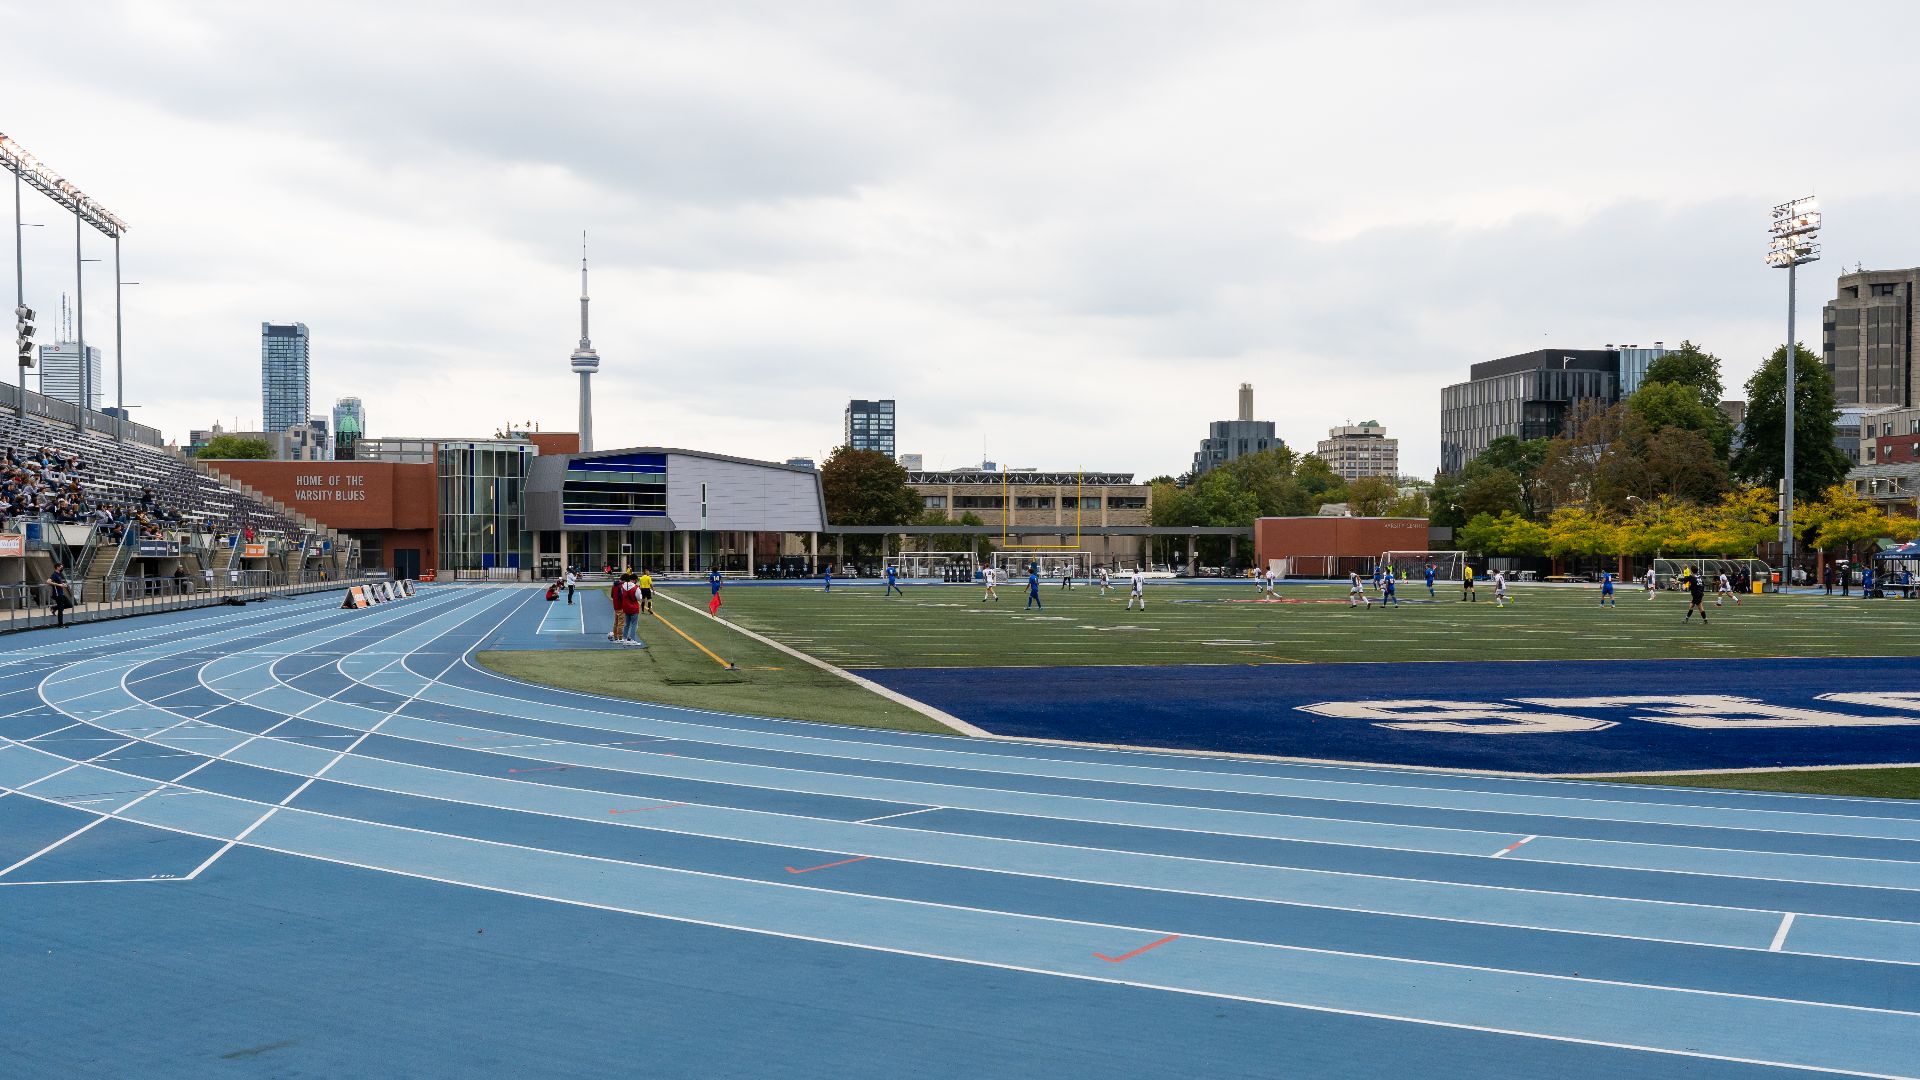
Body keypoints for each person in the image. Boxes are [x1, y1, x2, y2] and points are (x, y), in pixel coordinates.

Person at [617, 573, 643, 644]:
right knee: (634, 624)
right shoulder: (636, 587)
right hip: (634, 607)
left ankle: (624, 638)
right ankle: (632, 639)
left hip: (625, 607)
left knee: (626, 624)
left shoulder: (623, 586)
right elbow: (639, 598)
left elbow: (622, 595)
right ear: (635, 580)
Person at [47, 563, 72, 628]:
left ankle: (54, 608)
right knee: (60, 609)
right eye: (61, 567)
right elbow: (48, 581)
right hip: (57, 594)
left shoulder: (59, 574)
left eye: (62, 567)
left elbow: (59, 582)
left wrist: (63, 584)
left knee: (69, 604)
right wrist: (59, 585)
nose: (62, 568)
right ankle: (60, 624)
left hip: (61, 593)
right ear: (57, 567)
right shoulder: (54, 574)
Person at [608, 575, 625, 642]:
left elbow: (612, 595)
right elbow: (622, 597)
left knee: (616, 623)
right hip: (621, 606)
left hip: (615, 606)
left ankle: (615, 637)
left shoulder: (614, 585)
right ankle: (620, 638)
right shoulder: (621, 586)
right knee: (621, 623)